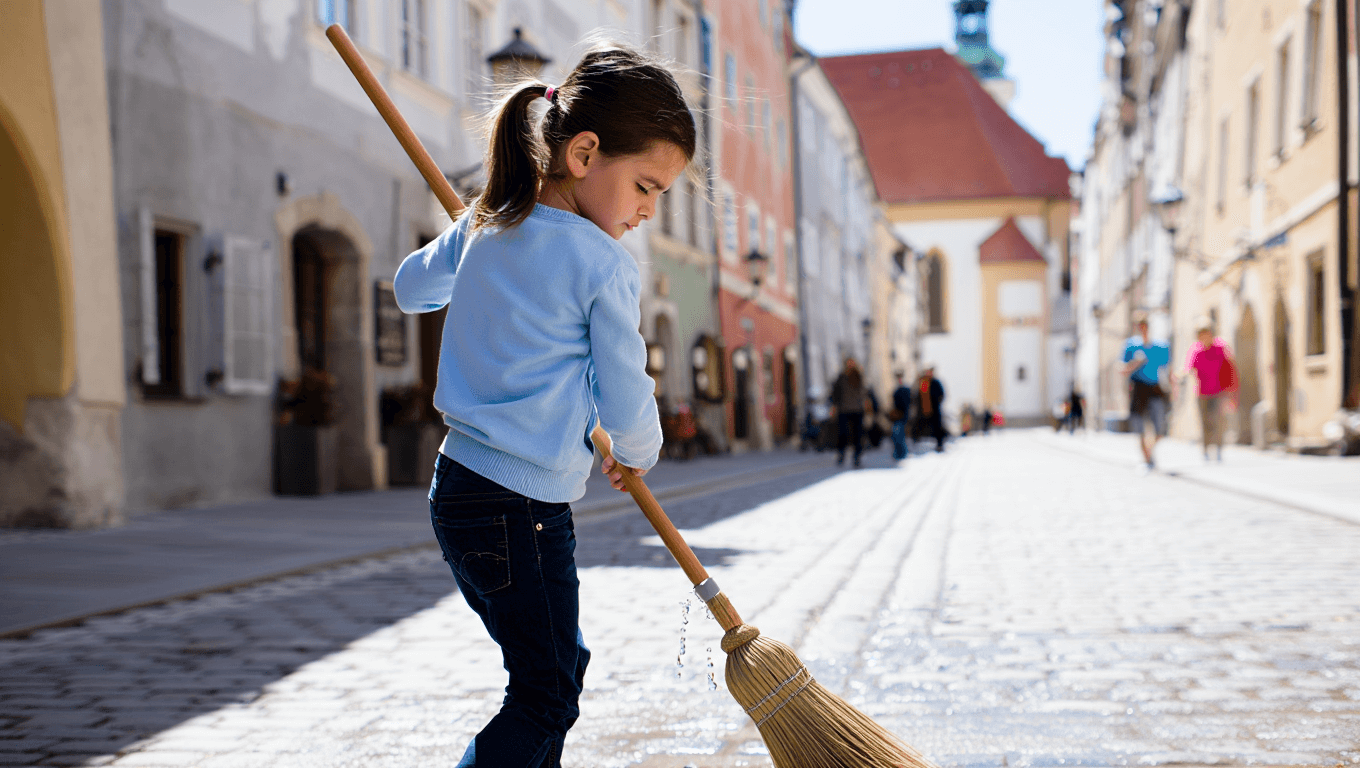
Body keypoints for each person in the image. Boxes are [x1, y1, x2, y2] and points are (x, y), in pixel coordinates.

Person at [392, 44, 694, 767]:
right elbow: (626, 383)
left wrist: (470, 238)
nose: (649, 211)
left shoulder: (489, 222)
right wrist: (638, 451)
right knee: (546, 693)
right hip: (520, 508)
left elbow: (410, 290)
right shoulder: (602, 263)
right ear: (583, 153)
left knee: (551, 672)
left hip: (457, 492)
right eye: (645, 186)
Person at [1122, 313, 1171, 472]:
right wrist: (1135, 363)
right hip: (1138, 387)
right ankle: (1146, 458)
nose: (1143, 328)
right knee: (1139, 426)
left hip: (1154, 387)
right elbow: (1122, 369)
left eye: (1145, 325)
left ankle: (1150, 451)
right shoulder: (1131, 345)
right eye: (1140, 325)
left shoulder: (1160, 346)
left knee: (1160, 427)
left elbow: (1168, 368)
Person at [1183, 318, 1235, 461]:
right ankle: (1205, 449)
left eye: (1206, 333)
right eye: (1201, 334)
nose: (1204, 337)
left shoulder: (1220, 348)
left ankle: (1218, 449)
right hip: (1202, 393)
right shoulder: (1196, 351)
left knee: (1217, 421)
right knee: (1205, 422)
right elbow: (1188, 368)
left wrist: (1231, 390)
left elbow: (1230, 368)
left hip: (1219, 391)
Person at [830, 357, 868, 467]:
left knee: (858, 435)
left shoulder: (859, 376)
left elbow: (864, 393)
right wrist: (834, 407)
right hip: (844, 409)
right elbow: (835, 394)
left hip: (857, 409)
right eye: (848, 363)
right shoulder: (841, 377)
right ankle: (841, 454)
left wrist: (866, 407)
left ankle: (857, 457)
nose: (850, 365)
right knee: (843, 433)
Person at [918, 366, 947, 452]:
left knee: (937, 427)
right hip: (924, 409)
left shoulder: (935, 382)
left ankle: (939, 445)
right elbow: (920, 395)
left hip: (935, 409)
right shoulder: (924, 382)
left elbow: (941, 394)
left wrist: (936, 401)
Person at [890, 371, 912, 460]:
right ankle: (899, 453)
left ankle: (902, 453)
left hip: (903, 415)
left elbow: (908, 403)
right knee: (897, 435)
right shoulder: (897, 390)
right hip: (898, 416)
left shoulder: (905, 390)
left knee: (899, 434)